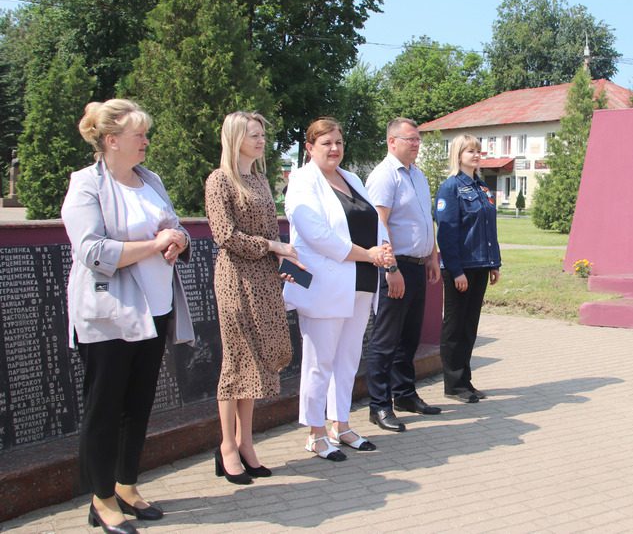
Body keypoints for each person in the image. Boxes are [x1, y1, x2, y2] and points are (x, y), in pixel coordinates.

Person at [61, 99, 195, 534]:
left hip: (155, 310)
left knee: (137, 405)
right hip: (109, 316)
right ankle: (100, 499)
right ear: (112, 140)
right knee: (104, 407)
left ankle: (126, 485)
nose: (146, 141)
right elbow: (93, 251)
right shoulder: (86, 185)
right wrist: (156, 245)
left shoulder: (149, 179)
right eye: (139, 135)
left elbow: (175, 226)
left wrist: (178, 240)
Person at [283, 117, 394, 461]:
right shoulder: (302, 182)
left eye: (339, 142)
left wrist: (385, 251)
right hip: (324, 284)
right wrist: (369, 254)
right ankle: (315, 433)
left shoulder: (353, 179)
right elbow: (318, 236)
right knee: (320, 361)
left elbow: (374, 221)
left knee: (347, 359)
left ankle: (340, 424)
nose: (334, 148)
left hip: (360, 283)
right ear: (309, 148)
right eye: (326, 143)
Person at [204, 111, 301, 485]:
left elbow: (271, 229)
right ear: (235, 138)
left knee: (257, 363)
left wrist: (281, 257)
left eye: (262, 134)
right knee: (236, 362)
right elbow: (224, 235)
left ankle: (246, 442)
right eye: (254, 135)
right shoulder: (219, 181)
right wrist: (271, 245)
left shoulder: (260, 179)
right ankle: (227, 446)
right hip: (235, 280)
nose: (261, 140)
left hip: (264, 278)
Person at [365, 118, 441, 433]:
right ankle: (379, 405)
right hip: (394, 268)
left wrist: (433, 255)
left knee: (409, 336)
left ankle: (405, 395)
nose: (416, 144)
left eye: (418, 139)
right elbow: (378, 225)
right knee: (385, 339)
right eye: (410, 139)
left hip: (418, 264)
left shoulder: (418, 176)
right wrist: (391, 268)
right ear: (391, 142)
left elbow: (426, 219)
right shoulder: (384, 176)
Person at [434, 134, 501, 403]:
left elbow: (490, 230)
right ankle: (453, 384)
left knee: (469, 326)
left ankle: (465, 380)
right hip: (460, 268)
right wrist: (456, 269)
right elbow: (447, 234)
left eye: (478, 151)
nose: (475, 155)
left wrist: (494, 263)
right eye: (470, 151)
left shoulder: (482, 188)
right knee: (455, 326)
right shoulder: (450, 188)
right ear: (458, 155)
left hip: (481, 264)